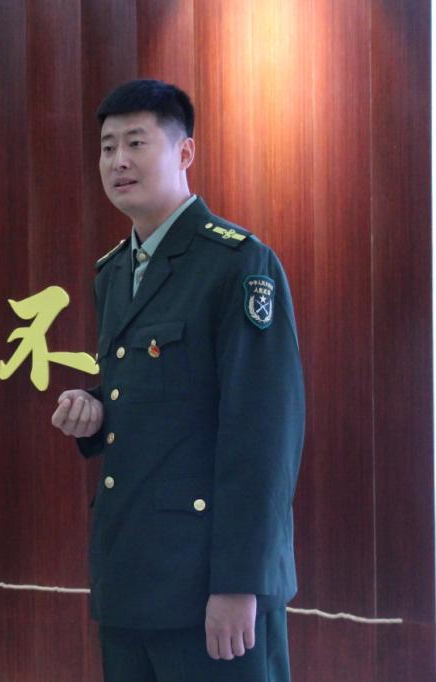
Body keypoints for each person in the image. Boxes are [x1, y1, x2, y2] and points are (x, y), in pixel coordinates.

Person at [51, 79, 304, 681]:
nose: (118, 161)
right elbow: (154, 395)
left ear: (184, 152)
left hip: (209, 587)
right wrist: (94, 411)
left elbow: (264, 434)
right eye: (107, 146)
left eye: (136, 143)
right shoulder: (114, 273)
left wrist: (239, 583)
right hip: (129, 572)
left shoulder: (237, 264)